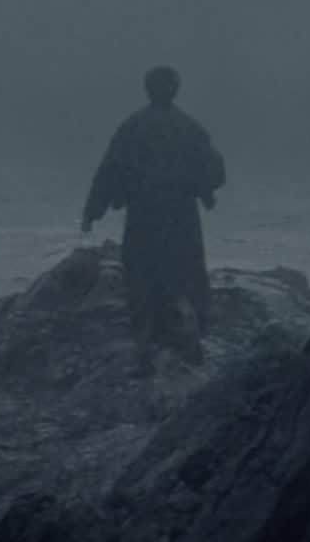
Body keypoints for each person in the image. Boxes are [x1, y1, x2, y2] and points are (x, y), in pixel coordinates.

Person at [81, 65, 225, 351]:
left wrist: (92, 212)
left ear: (148, 89)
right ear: (176, 89)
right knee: (187, 274)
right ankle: (192, 337)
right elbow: (214, 170)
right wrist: (204, 191)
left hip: (143, 216)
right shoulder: (190, 127)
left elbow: (109, 171)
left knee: (142, 278)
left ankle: (146, 341)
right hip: (182, 216)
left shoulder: (132, 127)